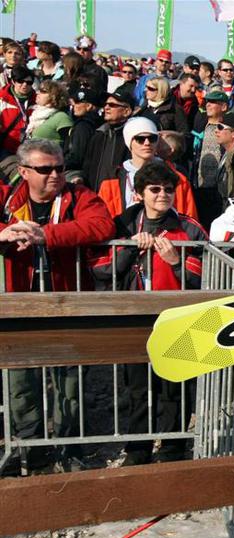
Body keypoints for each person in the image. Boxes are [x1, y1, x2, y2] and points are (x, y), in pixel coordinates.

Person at [0, 139, 114, 473]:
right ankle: (30, 446)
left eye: (60, 168)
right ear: (24, 172)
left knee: (70, 380)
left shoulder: (79, 196)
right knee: (20, 381)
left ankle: (69, 446)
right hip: (19, 305)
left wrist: (46, 236)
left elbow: (102, 224)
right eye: (45, 169)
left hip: (67, 303)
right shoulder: (8, 198)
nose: (55, 175)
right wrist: (5, 232)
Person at [92, 160, 207, 466]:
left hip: (178, 318)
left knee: (176, 387)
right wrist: (129, 248)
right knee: (138, 388)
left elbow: (207, 276)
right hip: (136, 317)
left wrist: (176, 262)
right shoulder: (123, 223)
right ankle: (138, 450)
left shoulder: (189, 227)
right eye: (155, 189)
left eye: (168, 189)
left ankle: (173, 450)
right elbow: (101, 269)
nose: (162, 195)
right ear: (139, 193)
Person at [97, 116, 197, 219]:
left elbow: (189, 219)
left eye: (152, 138)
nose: (147, 143)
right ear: (129, 143)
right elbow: (103, 219)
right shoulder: (112, 180)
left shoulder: (178, 179)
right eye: (140, 139)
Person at [82, 86, 134, 191]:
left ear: (126, 111)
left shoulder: (133, 137)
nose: (106, 107)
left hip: (120, 195)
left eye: (112, 105)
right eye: (105, 104)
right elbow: (87, 167)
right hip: (95, 194)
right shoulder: (99, 134)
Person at [191, 90, 229, 227]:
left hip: (219, 190)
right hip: (199, 187)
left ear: (223, 107)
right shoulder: (200, 125)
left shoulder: (228, 129)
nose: (208, 105)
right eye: (207, 102)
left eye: (213, 102)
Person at [64, 84, 103, 173]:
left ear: (89, 106)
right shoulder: (98, 122)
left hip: (76, 172)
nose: (74, 105)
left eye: (78, 103)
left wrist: (60, 164)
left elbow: (77, 156)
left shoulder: (83, 126)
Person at [0, 65, 34, 159]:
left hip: (29, 149)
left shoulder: (38, 100)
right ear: (13, 81)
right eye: (20, 81)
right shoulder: (2, 99)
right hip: (6, 148)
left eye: (29, 82)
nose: (25, 85)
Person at [25, 80, 72, 145]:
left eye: (43, 91)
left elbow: (69, 144)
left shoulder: (61, 117)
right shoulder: (35, 114)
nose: (38, 93)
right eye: (39, 90)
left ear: (54, 96)